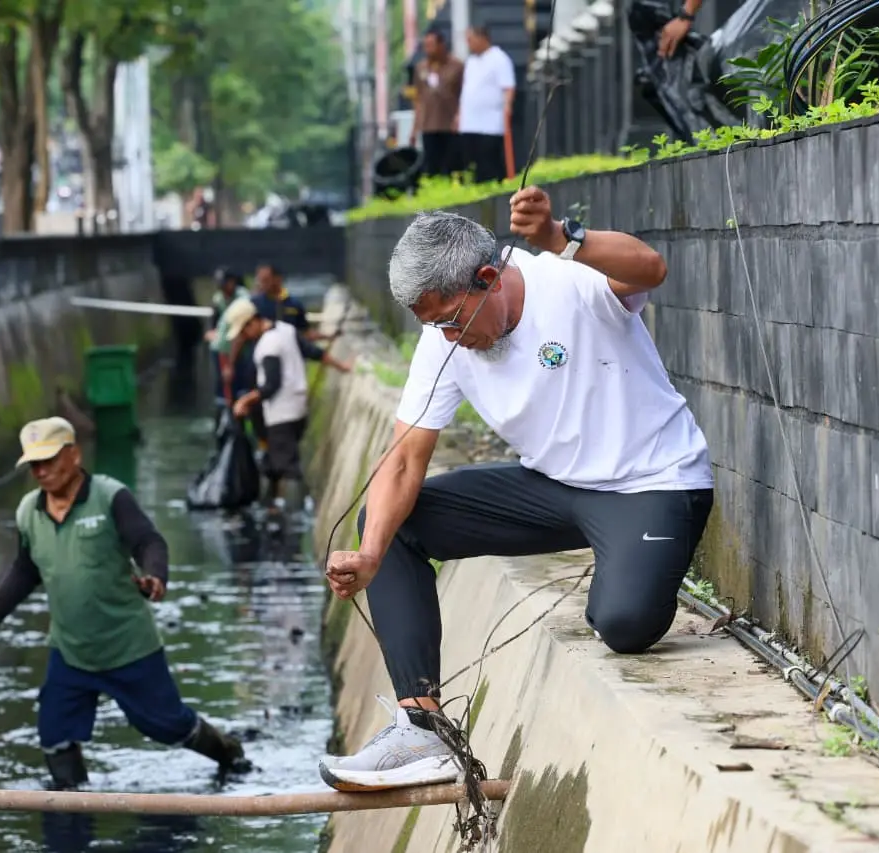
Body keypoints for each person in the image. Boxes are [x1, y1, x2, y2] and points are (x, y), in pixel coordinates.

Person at [317, 190, 714, 792]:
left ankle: (628, 566)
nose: (448, 337)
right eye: (432, 326)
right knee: (390, 518)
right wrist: (370, 555)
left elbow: (650, 268)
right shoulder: (442, 343)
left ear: (487, 278)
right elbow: (403, 461)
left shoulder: (569, 282)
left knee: (624, 623)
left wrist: (561, 237)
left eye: (451, 319)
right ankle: (422, 729)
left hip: (651, 484)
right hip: (552, 487)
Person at [0, 417, 252, 790]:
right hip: (71, 650)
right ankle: (75, 808)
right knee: (54, 734)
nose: (40, 471)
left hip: (128, 646)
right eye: (34, 465)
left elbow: (148, 541)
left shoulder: (109, 497)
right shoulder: (29, 511)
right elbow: (26, 570)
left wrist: (155, 576)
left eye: (48, 460)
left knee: (168, 725)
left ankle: (228, 753)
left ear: (74, 455)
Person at [224, 298, 353, 505]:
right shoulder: (286, 330)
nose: (245, 337)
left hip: (281, 415)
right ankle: (275, 505)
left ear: (252, 322)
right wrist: (342, 366)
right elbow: (313, 352)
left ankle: (296, 516)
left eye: (244, 331)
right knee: (274, 462)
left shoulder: (268, 346)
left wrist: (245, 401)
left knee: (287, 465)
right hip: (298, 410)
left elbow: (271, 386)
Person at [457, 25, 516, 184]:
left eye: (471, 40)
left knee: (489, 162)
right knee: (471, 164)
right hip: (469, 123)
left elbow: (508, 87)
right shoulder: (470, 61)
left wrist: (508, 106)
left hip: (490, 122)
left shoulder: (499, 58)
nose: (468, 44)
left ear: (482, 38)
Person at [409, 27, 464, 178]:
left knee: (451, 167)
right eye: (426, 46)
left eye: (431, 45)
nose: (428, 50)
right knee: (432, 167)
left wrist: (459, 116)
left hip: (450, 125)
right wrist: (415, 128)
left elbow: (463, 95)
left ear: (441, 45)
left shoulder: (457, 66)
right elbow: (418, 99)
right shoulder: (421, 68)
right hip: (429, 125)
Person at [204, 268, 252, 404]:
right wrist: (211, 332)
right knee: (222, 386)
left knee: (240, 383)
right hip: (221, 348)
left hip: (240, 348)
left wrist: (230, 364)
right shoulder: (218, 298)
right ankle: (224, 412)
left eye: (224, 284)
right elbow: (213, 319)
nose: (222, 288)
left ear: (232, 282)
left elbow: (242, 331)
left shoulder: (243, 299)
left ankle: (241, 410)